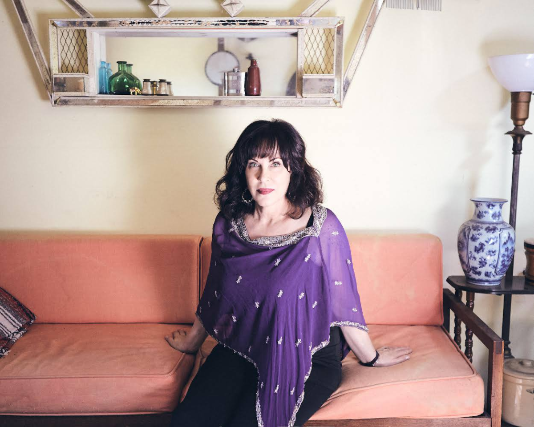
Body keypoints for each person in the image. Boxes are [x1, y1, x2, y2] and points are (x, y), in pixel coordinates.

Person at [165, 119, 412, 427]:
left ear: (292, 169)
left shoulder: (321, 227)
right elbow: (216, 292)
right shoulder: (227, 224)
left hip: (306, 355)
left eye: (275, 164)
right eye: (254, 164)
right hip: (242, 346)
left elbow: (343, 303)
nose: (263, 176)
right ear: (242, 170)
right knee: (187, 421)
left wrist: (370, 357)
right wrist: (192, 343)